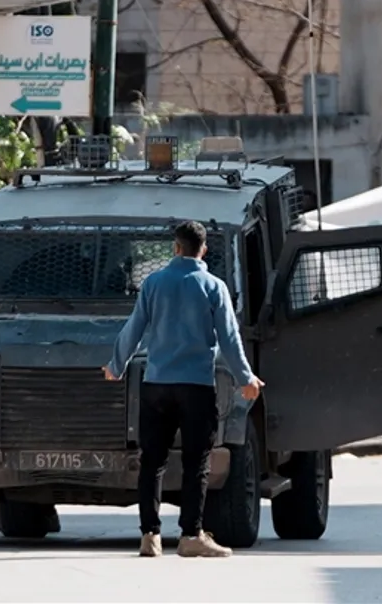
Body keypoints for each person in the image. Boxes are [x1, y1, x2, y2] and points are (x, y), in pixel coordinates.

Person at [104, 221, 264, 558]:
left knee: (152, 462)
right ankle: (191, 535)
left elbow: (133, 328)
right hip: (196, 385)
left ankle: (150, 535)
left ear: (175, 248)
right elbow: (229, 340)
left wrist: (116, 366)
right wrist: (246, 379)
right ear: (203, 249)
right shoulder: (213, 286)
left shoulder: (153, 283)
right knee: (197, 462)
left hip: (156, 385)